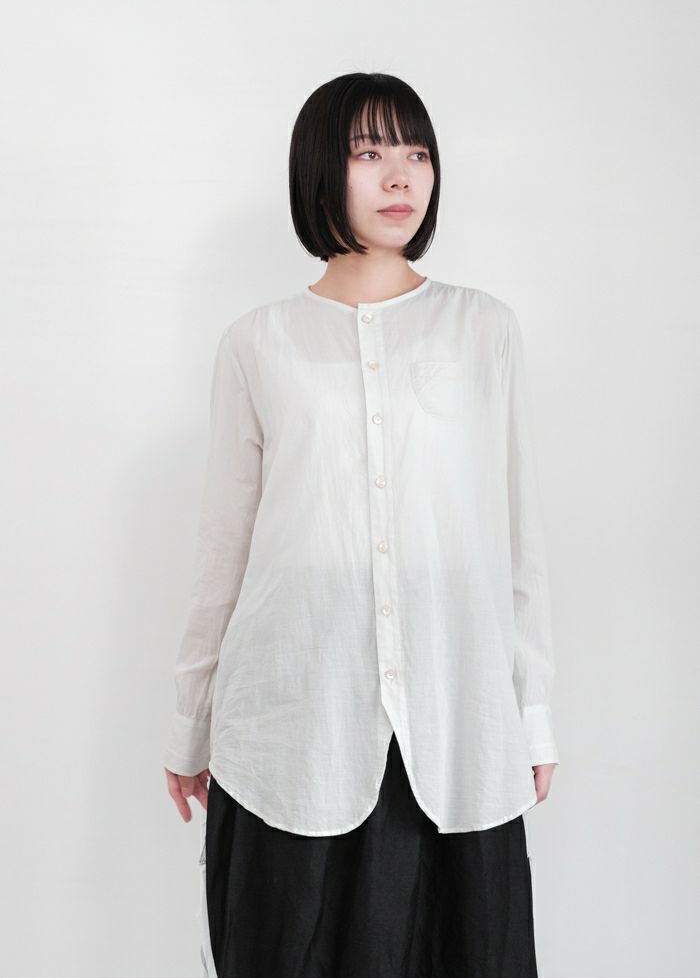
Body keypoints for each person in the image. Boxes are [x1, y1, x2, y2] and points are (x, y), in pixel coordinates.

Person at [163, 71, 559, 978]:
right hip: (292, 720)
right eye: (369, 152)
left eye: (417, 153)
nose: (400, 176)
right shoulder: (257, 342)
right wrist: (190, 722)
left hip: (455, 721)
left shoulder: (482, 330)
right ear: (319, 169)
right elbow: (224, 548)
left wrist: (531, 716)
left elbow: (518, 540)